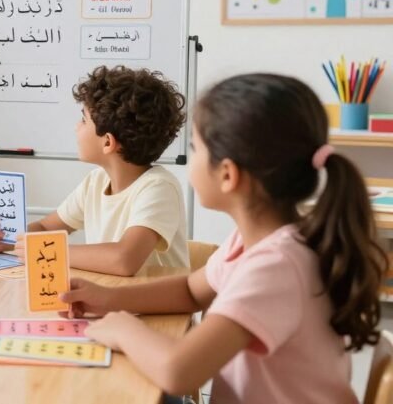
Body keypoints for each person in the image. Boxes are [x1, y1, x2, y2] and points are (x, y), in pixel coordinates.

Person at [63, 73, 386, 403]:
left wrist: (123, 329)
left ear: (228, 174)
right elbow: (191, 291)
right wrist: (108, 299)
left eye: (196, 148)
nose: (190, 159)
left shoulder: (276, 266)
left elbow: (179, 371)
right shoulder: (253, 242)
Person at [0, 65, 189, 274]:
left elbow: (125, 259)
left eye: (83, 120)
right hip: (109, 302)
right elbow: (45, 228)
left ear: (108, 142)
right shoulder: (95, 182)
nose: (76, 127)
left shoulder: (159, 187)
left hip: (156, 308)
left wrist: (48, 251)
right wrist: (7, 239)